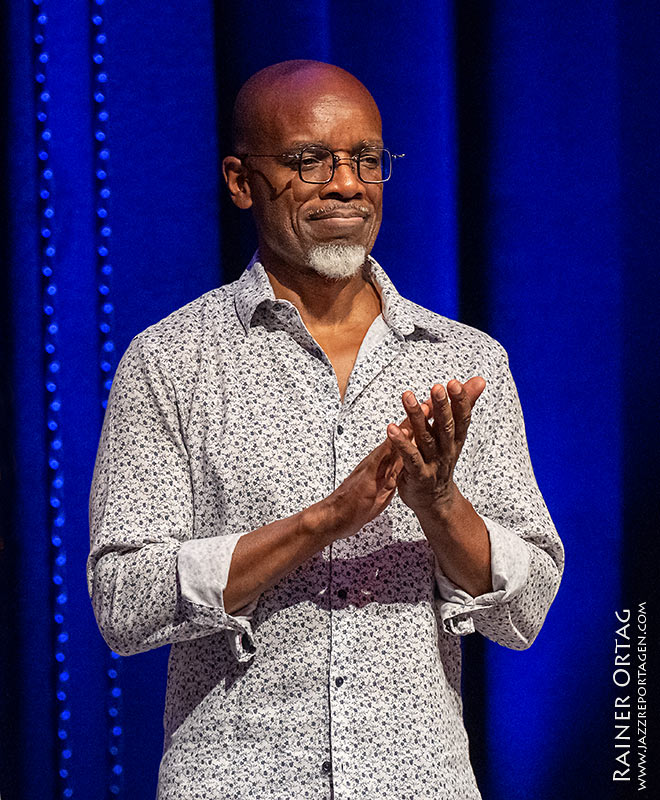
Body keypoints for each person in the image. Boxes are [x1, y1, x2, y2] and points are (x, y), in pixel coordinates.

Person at [88, 60, 564, 800]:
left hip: (417, 781)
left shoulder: (468, 362)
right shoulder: (170, 361)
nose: (346, 185)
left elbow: (524, 609)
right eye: (309, 161)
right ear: (242, 181)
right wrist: (324, 521)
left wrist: (440, 507)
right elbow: (124, 604)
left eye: (366, 160)